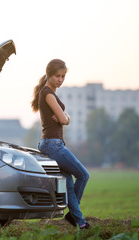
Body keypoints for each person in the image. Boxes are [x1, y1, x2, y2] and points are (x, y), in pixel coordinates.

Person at [31, 59, 90, 229]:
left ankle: (79, 222)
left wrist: (66, 118)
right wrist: (66, 118)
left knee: (70, 185)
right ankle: (74, 215)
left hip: (51, 143)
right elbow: (64, 119)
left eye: (63, 76)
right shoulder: (48, 94)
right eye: (57, 76)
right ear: (49, 74)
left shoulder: (48, 93)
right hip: (53, 145)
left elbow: (64, 118)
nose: (61, 80)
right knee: (83, 175)